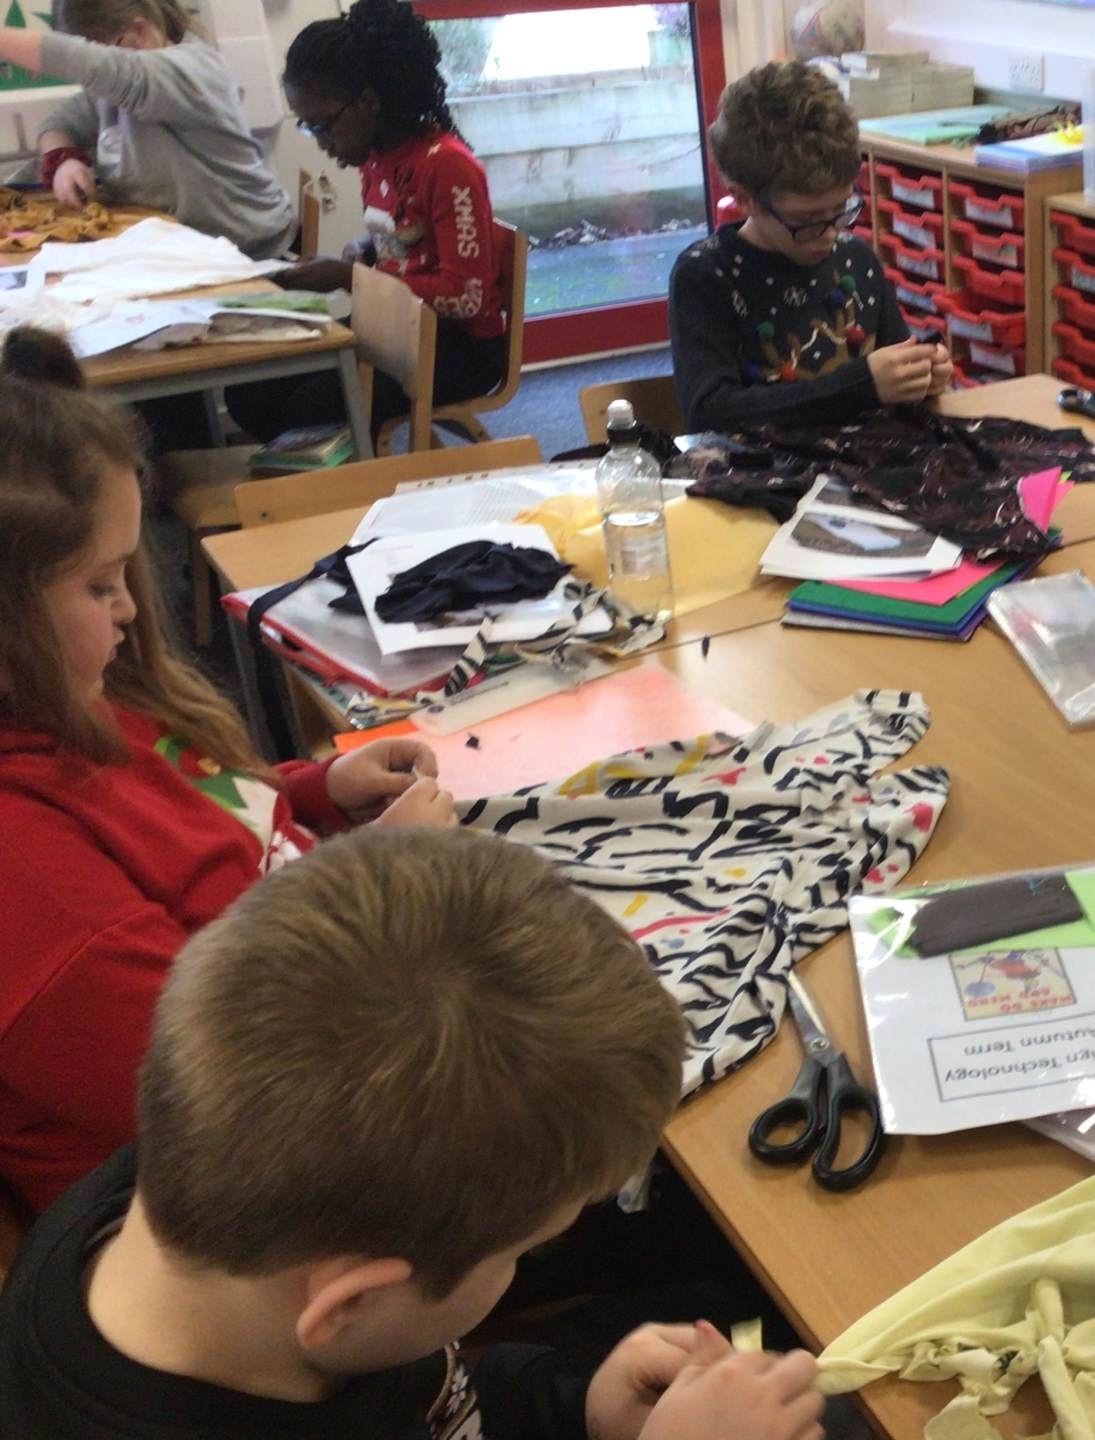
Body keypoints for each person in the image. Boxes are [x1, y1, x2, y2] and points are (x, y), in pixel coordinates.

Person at [0, 825, 826, 1440]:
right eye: (522, 1252)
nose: (521, 1268)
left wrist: (577, 1410)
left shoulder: (179, 1197)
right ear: (352, 1300)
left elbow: (434, 1401)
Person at [0, 327, 457, 1217]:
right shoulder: (24, 876)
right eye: (99, 585)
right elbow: (221, 1085)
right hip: (264, 1193)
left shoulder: (76, 699)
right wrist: (374, 881)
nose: (132, 609)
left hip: (329, 1025)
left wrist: (316, 792)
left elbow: (188, 813)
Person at [223, 0, 507, 444]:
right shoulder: (377, 160)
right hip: (392, 329)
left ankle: (357, 472)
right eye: (307, 127)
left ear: (369, 102)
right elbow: (403, 243)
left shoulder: (447, 166)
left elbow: (466, 297)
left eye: (322, 126)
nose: (321, 143)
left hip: (458, 348)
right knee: (248, 392)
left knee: (306, 407)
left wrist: (350, 279)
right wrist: (365, 250)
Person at [668, 60, 951, 432]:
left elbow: (895, 366)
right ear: (744, 198)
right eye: (807, 220)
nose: (830, 233)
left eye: (842, 209)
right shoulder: (705, 276)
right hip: (761, 466)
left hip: (866, 458)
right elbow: (710, 412)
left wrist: (921, 373)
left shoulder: (856, 260)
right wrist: (861, 387)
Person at [0, 0, 294, 259]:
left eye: (108, 52)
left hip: (251, 251)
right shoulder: (108, 93)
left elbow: (92, 65)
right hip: (181, 251)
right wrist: (64, 159)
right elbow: (58, 124)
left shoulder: (191, 70)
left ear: (139, 31)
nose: (96, 80)